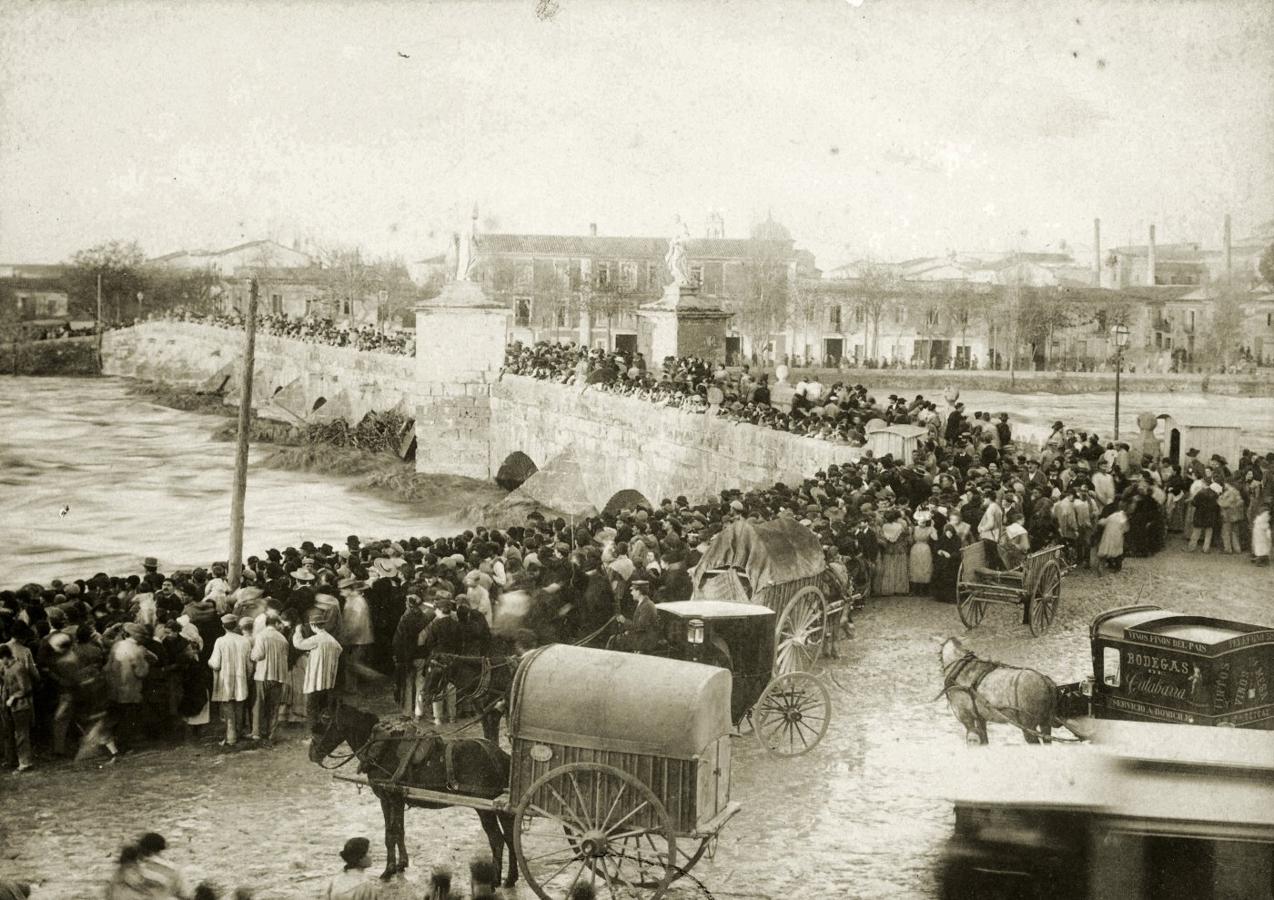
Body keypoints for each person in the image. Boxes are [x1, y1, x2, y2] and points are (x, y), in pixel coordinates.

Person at [293, 612, 343, 734]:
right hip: (328, 679)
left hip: (316, 679)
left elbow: (298, 644)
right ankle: (324, 731)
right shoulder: (332, 640)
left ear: (313, 625)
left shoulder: (317, 638)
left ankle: (313, 733)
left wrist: (297, 631)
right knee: (324, 706)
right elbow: (339, 650)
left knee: (312, 707)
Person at [208, 614, 252, 747]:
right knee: (239, 707)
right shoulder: (244, 641)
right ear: (236, 625)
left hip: (225, 680)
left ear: (223, 626)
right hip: (241, 679)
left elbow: (215, 664)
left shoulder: (220, 641)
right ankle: (238, 733)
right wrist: (247, 677)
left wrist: (209, 662)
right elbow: (250, 665)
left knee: (228, 710)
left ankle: (231, 737)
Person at [249, 613, 289, 741]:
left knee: (258, 704)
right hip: (278, 676)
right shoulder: (283, 639)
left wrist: (251, 655)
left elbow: (258, 655)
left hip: (262, 675)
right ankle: (271, 734)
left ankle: (257, 733)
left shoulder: (261, 636)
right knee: (274, 706)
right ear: (276, 624)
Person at [0, 644, 34, 772]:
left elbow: (25, 688)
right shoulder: (8, 668)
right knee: (10, 734)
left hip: (21, 706)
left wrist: (13, 697)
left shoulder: (18, 668)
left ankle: (25, 762)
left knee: (21, 734)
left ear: (5, 657)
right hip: (10, 707)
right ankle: (12, 760)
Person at [610, 579, 659, 653]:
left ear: (639, 592)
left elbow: (640, 626)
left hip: (643, 641)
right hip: (640, 638)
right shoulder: (643, 603)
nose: (631, 593)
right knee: (613, 639)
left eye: (633, 590)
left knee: (613, 641)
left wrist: (624, 621)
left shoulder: (647, 606)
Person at [1096, 503, 1130, 574]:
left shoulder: (1111, 516)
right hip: (1117, 537)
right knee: (1118, 552)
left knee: (1105, 551)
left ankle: (1101, 567)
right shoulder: (1124, 518)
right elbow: (1126, 529)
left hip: (1107, 536)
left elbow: (1103, 522)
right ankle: (1118, 567)